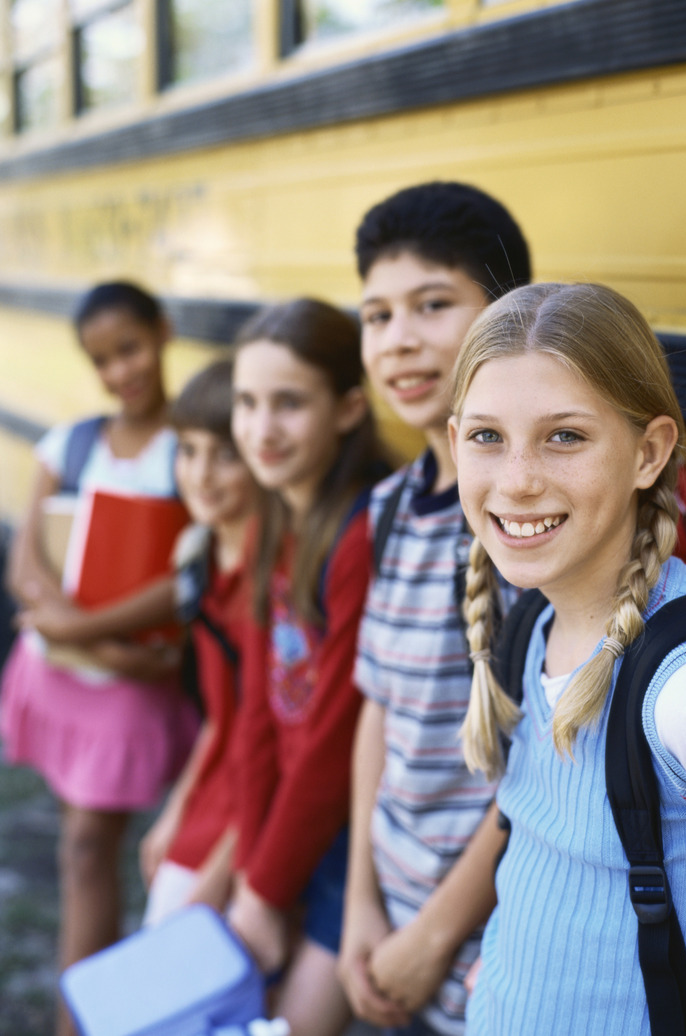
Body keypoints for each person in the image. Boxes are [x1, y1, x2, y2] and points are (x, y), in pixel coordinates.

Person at [448, 281, 686, 1034]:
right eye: (486, 437)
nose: (518, 479)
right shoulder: (533, 623)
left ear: (649, 452)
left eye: (565, 436)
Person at [338, 180, 532, 1036]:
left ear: (507, 313)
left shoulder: (532, 516)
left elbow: (552, 762)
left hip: (495, 952)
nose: (399, 341)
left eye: (432, 304)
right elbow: (377, 709)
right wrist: (358, 906)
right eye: (377, 315)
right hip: (389, 924)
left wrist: (433, 937)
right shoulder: (387, 510)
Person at [0, 281, 200, 1036]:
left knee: (89, 842)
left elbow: (184, 577)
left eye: (131, 348)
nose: (122, 371)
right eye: (103, 361)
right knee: (78, 840)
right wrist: (74, 629)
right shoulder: (72, 442)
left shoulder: (191, 450)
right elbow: (26, 562)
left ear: (164, 331)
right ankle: (84, 1007)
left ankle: (74, 1020)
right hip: (61, 676)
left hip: (124, 683)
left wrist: (78, 628)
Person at [228, 298, 391, 1036]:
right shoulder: (272, 519)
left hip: (353, 843)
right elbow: (256, 711)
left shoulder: (359, 532)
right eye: (247, 403)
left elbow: (334, 738)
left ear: (349, 408)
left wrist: (268, 886)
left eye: (288, 404)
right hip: (291, 831)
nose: (261, 430)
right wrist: (255, 870)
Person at [139, 358, 263, 925]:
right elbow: (220, 717)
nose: (201, 474)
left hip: (252, 821)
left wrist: (219, 871)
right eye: (187, 451)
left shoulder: (272, 578)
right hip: (213, 797)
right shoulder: (201, 558)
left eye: (224, 454)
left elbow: (279, 746)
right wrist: (174, 814)